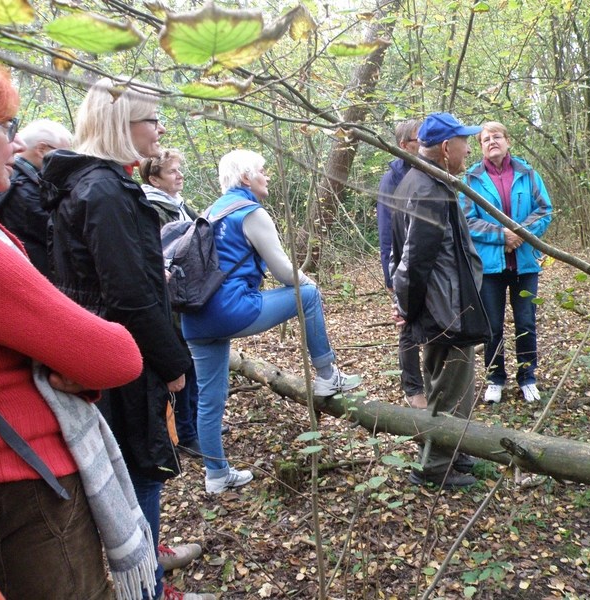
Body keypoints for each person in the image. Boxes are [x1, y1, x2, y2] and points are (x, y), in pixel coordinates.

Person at [42, 78, 214, 600]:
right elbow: (129, 295)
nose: (160, 129)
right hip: (120, 359)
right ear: (123, 125)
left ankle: (147, 580)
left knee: (134, 472)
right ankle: (145, 589)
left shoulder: (99, 184)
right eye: (151, 119)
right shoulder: (102, 190)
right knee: (141, 472)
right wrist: (173, 361)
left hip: (110, 352)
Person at [0, 65, 147, 600]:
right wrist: (72, 361)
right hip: (24, 477)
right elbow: (118, 353)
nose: (12, 147)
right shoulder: (100, 191)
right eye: (5, 128)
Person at [181, 149, 361, 494]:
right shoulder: (250, 212)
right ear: (246, 178)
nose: (268, 176)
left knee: (209, 399)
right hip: (230, 310)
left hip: (195, 318)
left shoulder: (211, 211)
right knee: (306, 295)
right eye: (262, 171)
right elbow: (282, 272)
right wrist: (311, 284)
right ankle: (327, 377)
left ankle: (216, 475)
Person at [390, 112, 490, 489]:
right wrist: (408, 308)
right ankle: (434, 466)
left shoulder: (419, 180)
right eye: (464, 141)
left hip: (439, 306)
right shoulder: (429, 190)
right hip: (446, 309)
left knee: (441, 384)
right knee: (452, 388)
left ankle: (453, 449)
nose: (469, 148)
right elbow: (413, 260)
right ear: (447, 148)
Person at [461, 121, 553, 405]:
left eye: (497, 136)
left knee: (526, 321)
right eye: (485, 139)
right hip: (490, 267)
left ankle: (527, 378)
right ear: (480, 146)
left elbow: (544, 211)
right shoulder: (471, 179)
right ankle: (494, 379)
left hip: (525, 264)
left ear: (507, 141)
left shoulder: (528, 173)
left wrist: (520, 234)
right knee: (493, 326)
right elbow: (467, 220)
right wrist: (501, 236)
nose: (492, 142)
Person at [139, 150, 202, 459]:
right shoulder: (152, 208)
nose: (180, 176)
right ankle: (188, 432)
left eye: (179, 170)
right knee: (183, 364)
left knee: (195, 360)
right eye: (172, 172)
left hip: (188, 296)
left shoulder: (179, 206)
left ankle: (198, 424)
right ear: (153, 179)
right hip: (171, 301)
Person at [376, 118, 426, 409]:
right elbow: (386, 233)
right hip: (403, 267)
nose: (425, 143)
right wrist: (391, 278)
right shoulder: (392, 179)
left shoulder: (431, 170)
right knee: (407, 327)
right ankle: (413, 389)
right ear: (405, 145)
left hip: (426, 263)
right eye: (420, 139)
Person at [0, 118, 72, 276]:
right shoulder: (23, 189)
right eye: (65, 154)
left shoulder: (18, 182)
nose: (68, 160)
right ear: (42, 149)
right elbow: (64, 237)